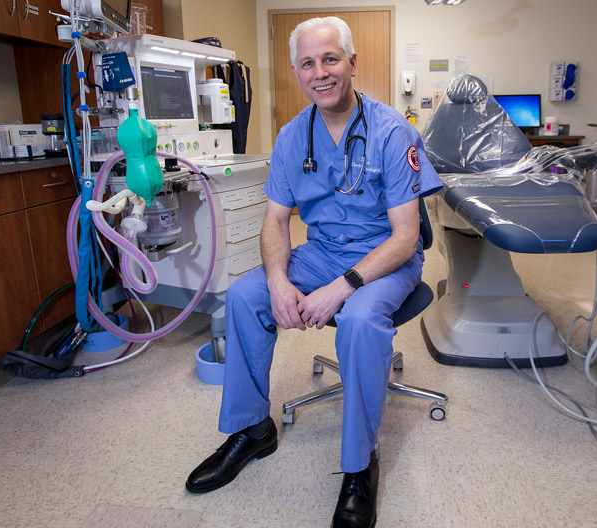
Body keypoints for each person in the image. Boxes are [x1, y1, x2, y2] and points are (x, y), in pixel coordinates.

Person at [185, 16, 442, 528]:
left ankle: (359, 466)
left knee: (361, 321)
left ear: (351, 62)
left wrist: (340, 290)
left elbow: (406, 237)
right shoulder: (290, 137)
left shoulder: (393, 132)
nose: (320, 72)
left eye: (330, 59)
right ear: (297, 71)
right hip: (321, 251)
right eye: (308, 63)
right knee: (243, 296)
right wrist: (279, 281)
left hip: (384, 257)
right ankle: (253, 429)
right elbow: (275, 221)